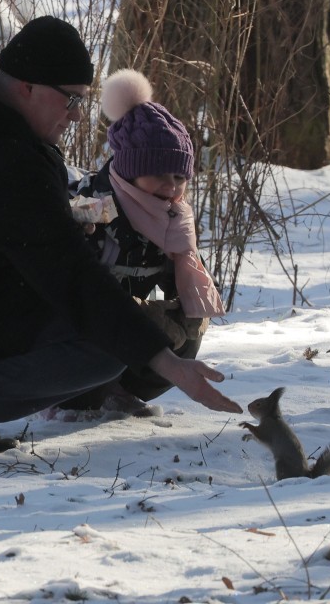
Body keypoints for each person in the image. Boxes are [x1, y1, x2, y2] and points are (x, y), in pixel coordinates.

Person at [0, 16, 241, 451]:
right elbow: (68, 273)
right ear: (28, 87)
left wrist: (61, 215)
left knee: (75, 308)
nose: (76, 116)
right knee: (102, 349)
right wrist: (165, 360)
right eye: (71, 101)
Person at [59, 69, 226, 415]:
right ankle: (74, 396)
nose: (172, 186)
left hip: (121, 325)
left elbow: (180, 287)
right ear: (129, 170)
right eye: (160, 174)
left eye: (180, 176)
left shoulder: (172, 219)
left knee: (188, 325)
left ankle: (117, 391)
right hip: (75, 327)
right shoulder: (91, 208)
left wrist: (177, 313)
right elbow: (71, 288)